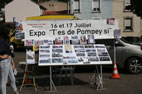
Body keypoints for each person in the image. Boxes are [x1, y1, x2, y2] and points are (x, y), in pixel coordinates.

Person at [0, 23, 19, 94]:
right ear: (6, 31)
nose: (11, 33)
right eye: (10, 31)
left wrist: (13, 63)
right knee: (4, 81)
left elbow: (10, 53)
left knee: (12, 78)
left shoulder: (7, 39)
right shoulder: (1, 41)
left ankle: (16, 91)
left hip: (9, 61)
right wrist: (1, 56)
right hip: (4, 62)